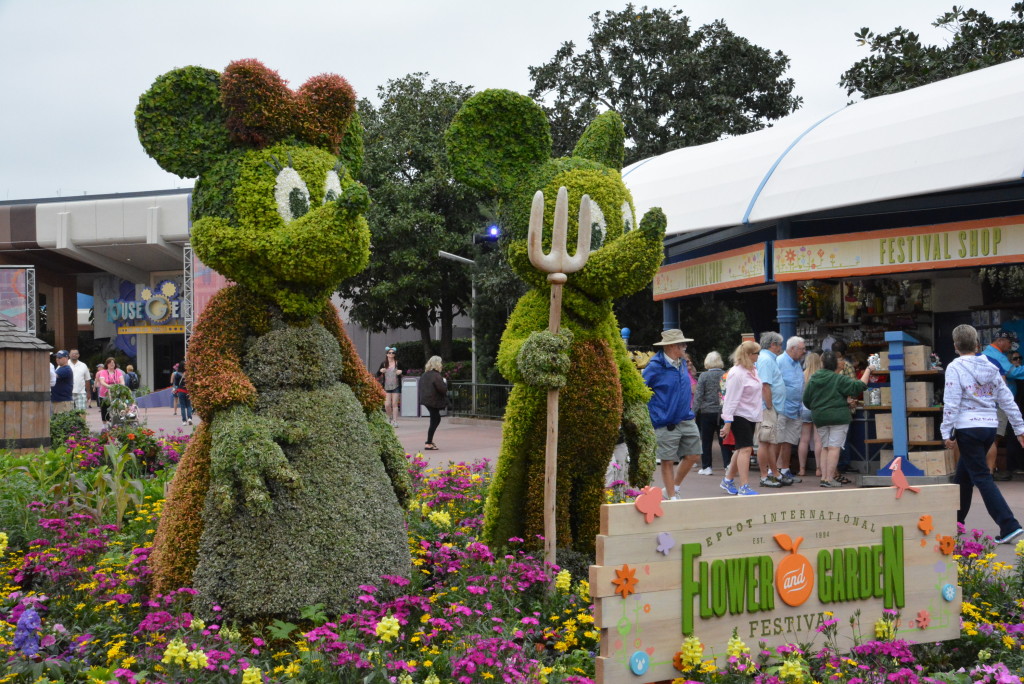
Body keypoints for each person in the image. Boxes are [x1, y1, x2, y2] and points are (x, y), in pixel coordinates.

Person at [941, 324, 1024, 545]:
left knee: (981, 477)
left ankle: (1009, 525)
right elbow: (1007, 399)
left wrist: (945, 432)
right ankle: (956, 522)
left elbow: (951, 401)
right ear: (977, 344)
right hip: (988, 427)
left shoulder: (954, 367)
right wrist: (1019, 429)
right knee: (963, 477)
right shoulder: (990, 365)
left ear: (956, 345)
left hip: (967, 428)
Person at [643, 329, 702, 500]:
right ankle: (671, 496)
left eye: (684, 344)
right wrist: (654, 412)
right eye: (681, 344)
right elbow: (641, 389)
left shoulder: (682, 363)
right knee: (667, 460)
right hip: (665, 421)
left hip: (686, 417)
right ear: (669, 346)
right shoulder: (655, 366)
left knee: (693, 455)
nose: (685, 347)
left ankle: (673, 488)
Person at [803, 351, 872, 487]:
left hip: (819, 417)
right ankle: (829, 479)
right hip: (838, 417)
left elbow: (806, 400)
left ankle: (824, 478)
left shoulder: (814, 378)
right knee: (834, 448)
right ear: (834, 364)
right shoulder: (838, 379)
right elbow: (858, 387)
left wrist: (819, 407)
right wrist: (868, 370)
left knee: (825, 447)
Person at [719, 340, 763, 496]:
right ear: (749, 355)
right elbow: (730, 399)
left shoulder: (752, 370)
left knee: (740, 449)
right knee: (745, 449)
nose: (759, 355)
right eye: (757, 352)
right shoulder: (736, 373)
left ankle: (728, 479)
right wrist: (728, 422)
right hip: (739, 415)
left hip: (750, 414)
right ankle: (744, 485)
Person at [982, 330, 1024, 480]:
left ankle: (991, 469)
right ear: (1000, 340)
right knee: (994, 437)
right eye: (1009, 343)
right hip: (998, 403)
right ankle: (990, 472)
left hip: (994, 401)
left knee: (993, 436)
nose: (1010, 346)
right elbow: (1012, 372)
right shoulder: (996, 355)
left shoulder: (989, 352)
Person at [755, 332, 786, 488]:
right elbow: (765, 385)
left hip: (772, 406)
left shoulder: (768, 359)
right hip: (768, 407)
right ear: (772, 344)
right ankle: (765, 475)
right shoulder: (766, 360)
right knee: (765, 441)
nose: (781, 347)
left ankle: (774, 473)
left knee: (770, 441)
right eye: (779, 344)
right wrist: (769, 405)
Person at [776, 336, 807, 484]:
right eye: (802, 349)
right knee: (777, 440)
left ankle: (784, 469)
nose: (804, 351)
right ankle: (773, 471)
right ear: (793, 348)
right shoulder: (780, 361)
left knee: (789, 441)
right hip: (782, 407)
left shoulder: (797, 363)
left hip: (795, 408)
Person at [695, 351, 726, 475]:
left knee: (706, 441)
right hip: (722, 412)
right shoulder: (725, 375)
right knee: (723, 440)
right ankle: (728, 465)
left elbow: (698, 396)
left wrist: (693, 412)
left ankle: (707, 467)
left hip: (706, 413)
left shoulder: (703, 376)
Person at [798, 351, 824, 477]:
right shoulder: (821, 375)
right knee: (818, 440)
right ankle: (819, 469)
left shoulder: (802, 375)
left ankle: (802, 469)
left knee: (804, 440)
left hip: (805, 408)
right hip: (819, 409)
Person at [418, 355, 448, 451]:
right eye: (441, 363)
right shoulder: (436, 375)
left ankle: (429, 441)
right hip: (433, 401)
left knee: (435, 418)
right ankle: (429, 442)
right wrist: (444, 383)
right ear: (437, 364)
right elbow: (443, 389)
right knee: (435, 419)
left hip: (426, 400)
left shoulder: (425, 374)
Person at [377, 346, 403, 427]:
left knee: (394, 404)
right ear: (387, 354)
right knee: (387, 405)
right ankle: (389, 417)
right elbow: (378, 373)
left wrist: (400, 371)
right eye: (390, 353)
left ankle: (395, 421)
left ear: (394, 354)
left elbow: (404, 370)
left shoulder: (397, 363)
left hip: (396, 386)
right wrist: (381, 371)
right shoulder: (384, 363)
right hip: (386, 386)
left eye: (393, 353)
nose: (391, 354)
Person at [95, 357, 125, 425]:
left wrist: (121, 386)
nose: (112, 364)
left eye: (113, 363)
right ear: (107, 364)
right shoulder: (103, 372)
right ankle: (104, 425)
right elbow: (102, 381)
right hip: (104, 394)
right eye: (110, 363)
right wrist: (108, 386)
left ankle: (116, 423)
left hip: (115, 394)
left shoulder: (118, 372)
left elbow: (122, 381)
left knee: (117, 408)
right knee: (104, 410)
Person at [51, 350, 74, 414]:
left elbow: (52, 376)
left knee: (63, 423)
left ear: (66, 358)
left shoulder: (66, 369)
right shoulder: (60, 368)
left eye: (60, 357)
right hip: (59, 401)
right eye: (56, 357)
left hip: (63, 402)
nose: (57, 359)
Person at [172, 361, 192, 426]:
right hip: (188, 391)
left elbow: (176, 384)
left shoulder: (177, 374)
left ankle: (184, 421)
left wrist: (174, 389)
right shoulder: (189, 374)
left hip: (181, 391)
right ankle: (189, 418)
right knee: (189, 405)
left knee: (182, 406)